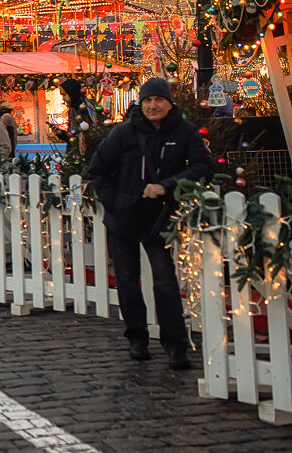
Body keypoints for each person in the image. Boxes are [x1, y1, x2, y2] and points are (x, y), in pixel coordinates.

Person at [87, 77, 213, 370]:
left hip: (160, 218)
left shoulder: (185, 132)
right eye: (147, 100)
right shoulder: (124, 132)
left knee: (165, 282)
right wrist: (114, 202)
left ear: (170, 103)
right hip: (124, 218)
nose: (152, 105)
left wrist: (167, 186)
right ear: (140, 103)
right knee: (127, 280)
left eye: (158, 100)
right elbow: (98, 169)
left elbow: (202, 167)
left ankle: (175, 344)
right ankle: (137, 338)